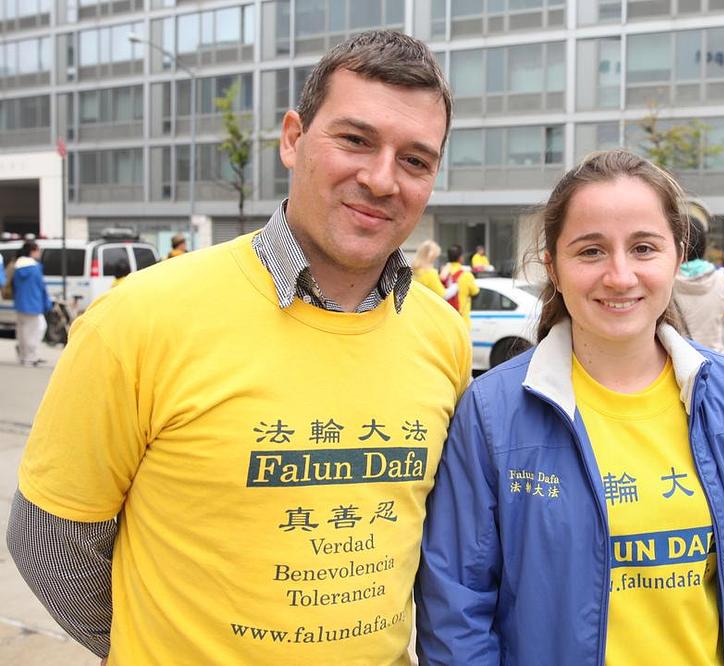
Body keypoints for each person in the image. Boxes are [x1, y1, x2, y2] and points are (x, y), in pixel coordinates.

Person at [9, 30, 471, 665]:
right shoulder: (140, 318)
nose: (382, 178)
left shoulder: (441, 334)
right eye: (355, 140)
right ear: (292, 138)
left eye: (415, 160)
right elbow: (48, 543)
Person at [416, 150, 724, 665]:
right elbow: (457, 605)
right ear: (552, 266)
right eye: (591, 252)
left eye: (644, 248)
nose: (620, 276)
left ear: (677, 254)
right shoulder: (492, 414)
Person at [667, 215, 724, 353]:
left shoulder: (666, 280)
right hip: (714, 358)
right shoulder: (720, 278)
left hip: (678, 359)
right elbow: (723, 316)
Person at [12, 240, 53, 367]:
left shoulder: (17, 266)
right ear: (33, 251)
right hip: (33, 304)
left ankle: (24, 355)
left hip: (20, 303)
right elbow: (41, 288)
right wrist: (46, 303)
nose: (39, 253)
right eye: (38, 250)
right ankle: (30, 357)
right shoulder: (34, 268)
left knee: (23, 331)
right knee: (37, 329)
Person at [441, 244, 479, 327]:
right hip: (462, 321)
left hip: (445, 321)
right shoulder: (466, 275)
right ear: (460, 258)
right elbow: (476, 294)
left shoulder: (442, 274)